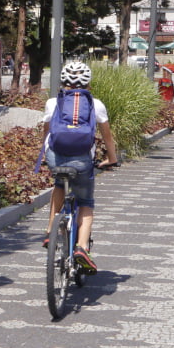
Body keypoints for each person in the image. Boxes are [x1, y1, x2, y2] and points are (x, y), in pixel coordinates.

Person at [42, 61, 118, 274]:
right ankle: (82, 247)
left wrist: (46, 156)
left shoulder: (52, 103)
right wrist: (112, 158)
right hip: (82, 160)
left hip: (55, 157)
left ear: (63, 82)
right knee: (85, 201)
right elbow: (107, 137)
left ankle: (50, 230)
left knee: (59, 183)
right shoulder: (96, 104)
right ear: (88, 84)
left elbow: (46, 134)